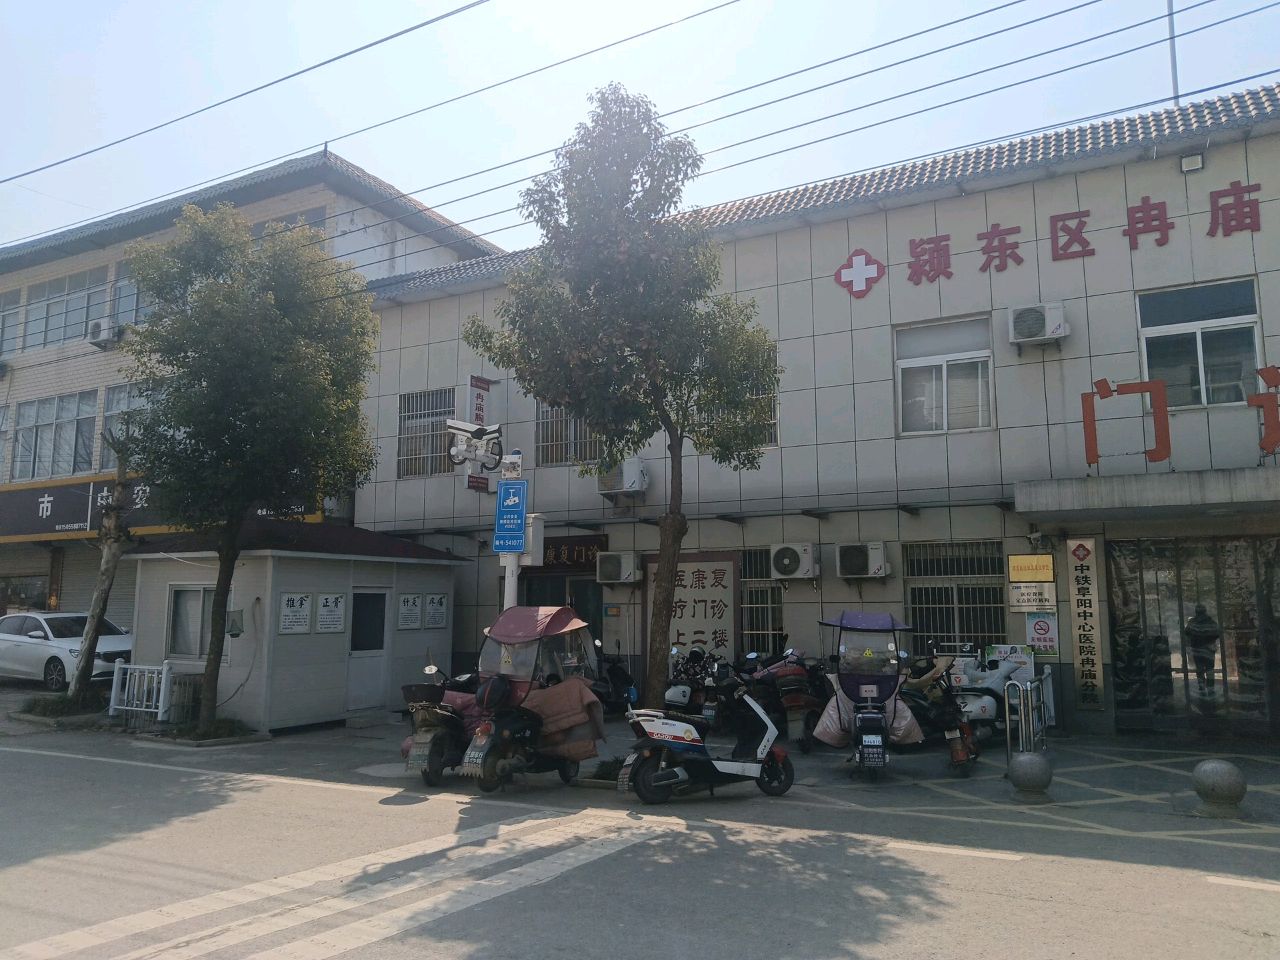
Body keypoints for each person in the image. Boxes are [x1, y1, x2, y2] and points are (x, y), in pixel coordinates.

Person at [1183, 603, 1221, 698]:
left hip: (1197, 649)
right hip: (1209, 649)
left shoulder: (1193, 622)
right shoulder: (1210, 621)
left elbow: (1186, 632)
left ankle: (1202, 687)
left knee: (1200, 670)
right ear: (1205, 611)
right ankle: (1211, 689)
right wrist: (1210, 640)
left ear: (1196, 612)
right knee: (1210, 670)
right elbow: (1217, 633)